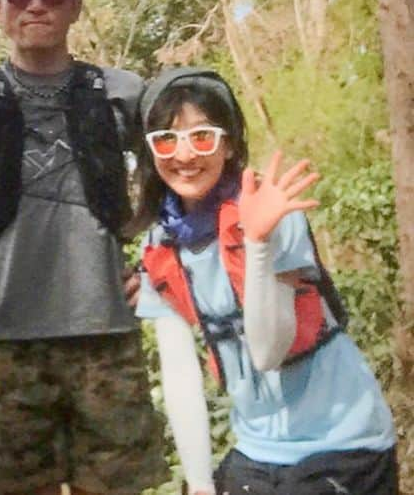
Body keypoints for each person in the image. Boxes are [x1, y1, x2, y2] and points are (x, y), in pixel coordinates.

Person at [0, 0, 167, 495]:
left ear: (76, 6)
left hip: (107, 337)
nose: (37, 3)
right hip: (9, 340)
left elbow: (187, 167)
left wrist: (162, 257)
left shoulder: (120, 92)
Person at [135, 67, 398, 495]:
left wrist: (256, 244)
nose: (184, 155)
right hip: (257, 449)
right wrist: (200, 483)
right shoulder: (160, 244)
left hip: (341, 441)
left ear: (229, 143)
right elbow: (180, 372)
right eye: (167, 139)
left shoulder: (273, 213)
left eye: (201, 136)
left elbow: (268, 351)